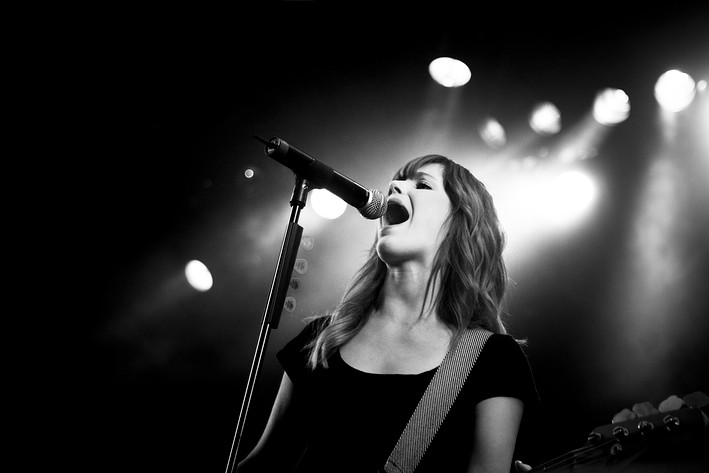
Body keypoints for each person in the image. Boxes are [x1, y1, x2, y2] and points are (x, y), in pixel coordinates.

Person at [236, 154, 539, 473]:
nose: (394, 185)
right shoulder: (321, 340)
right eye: (398, 179)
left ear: (461, 224)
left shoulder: (493, 360)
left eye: (422, 184)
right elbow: (263, 465)